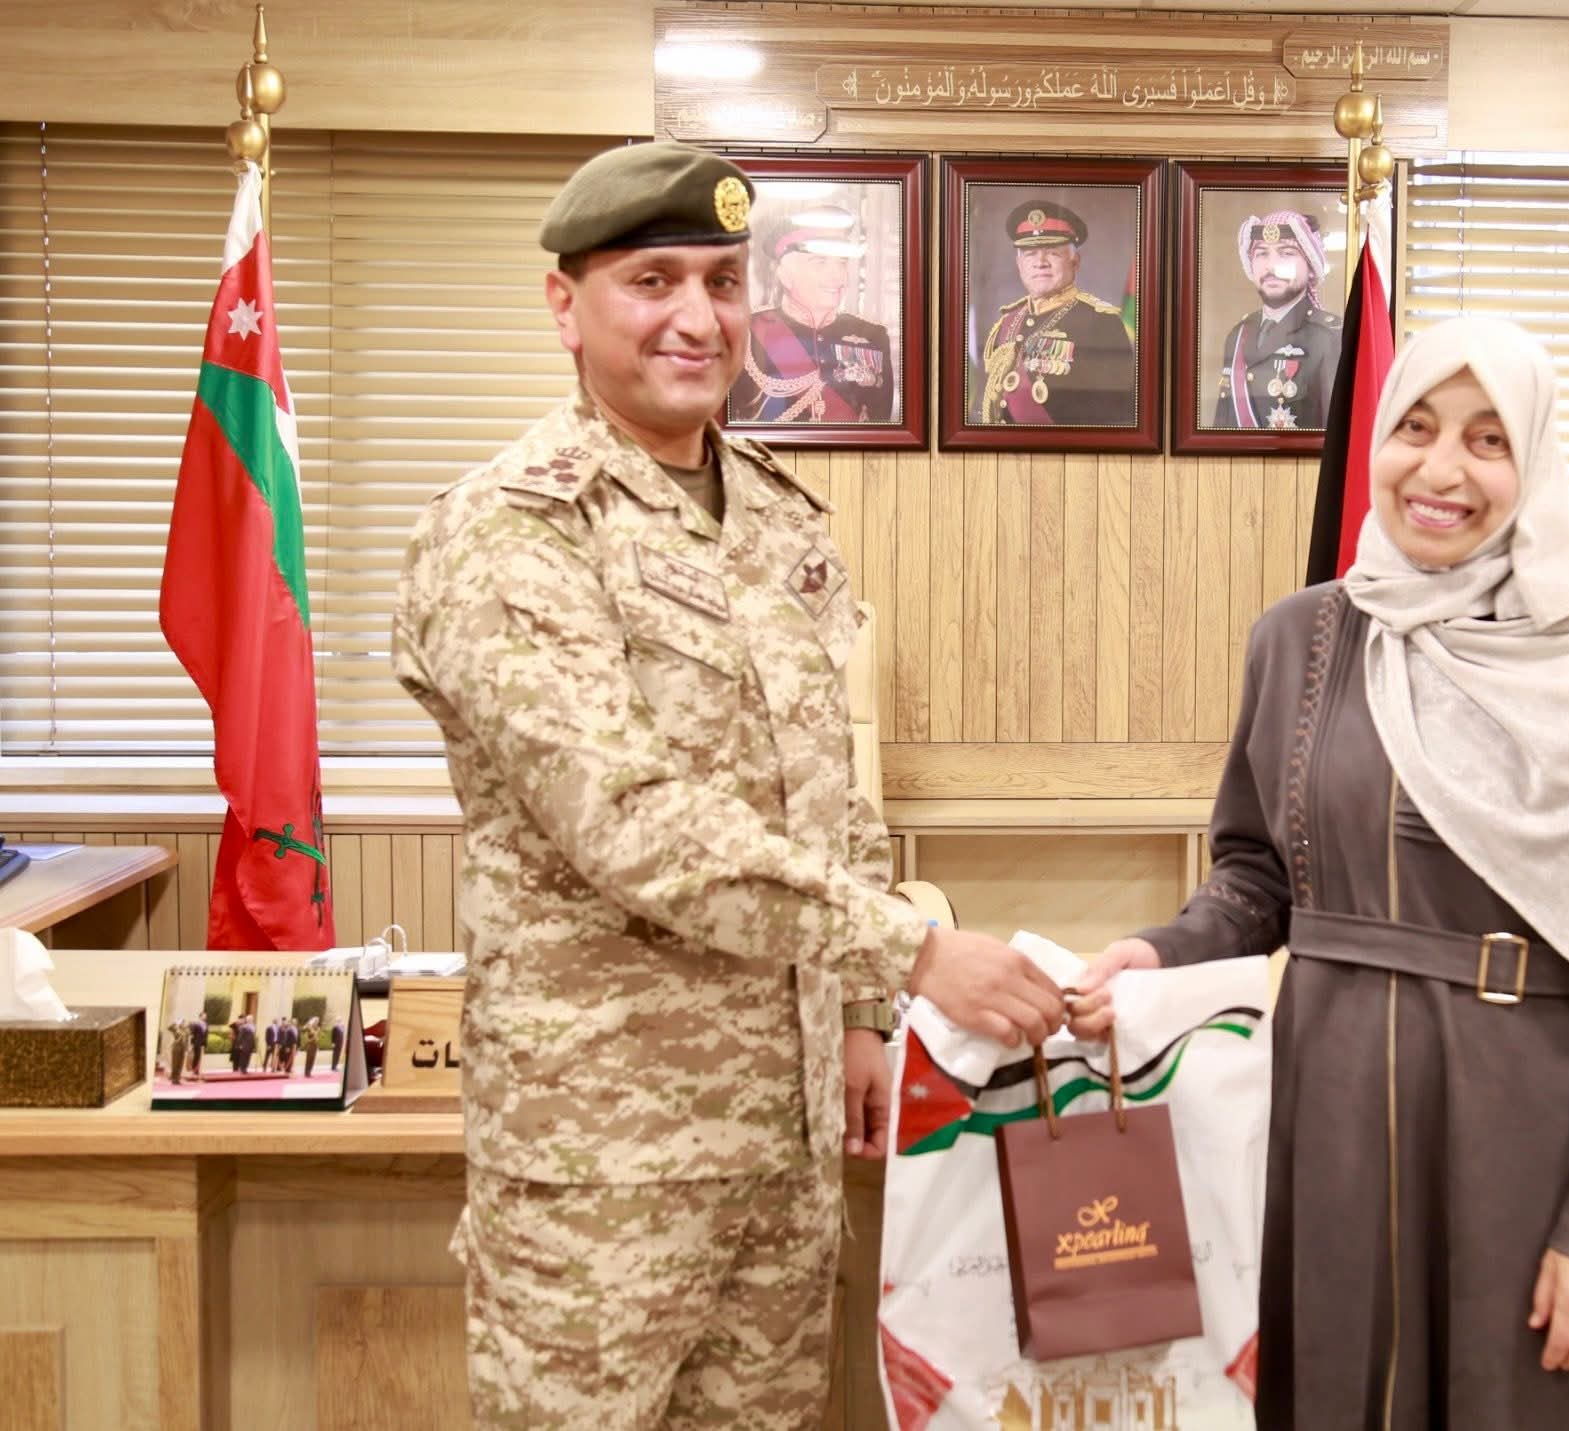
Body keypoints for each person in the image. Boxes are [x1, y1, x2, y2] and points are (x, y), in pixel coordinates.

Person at [391, 140, 1065, 1429]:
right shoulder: (508, 531)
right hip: (601, 1164)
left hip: (782, 1147)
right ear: (565, 305)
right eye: (652, 282)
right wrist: (914, 952)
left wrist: (860, 1014)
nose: (698, 319)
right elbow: (630, 821)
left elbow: (831, 783)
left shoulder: (776, 514)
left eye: (723, 281)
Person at [1071, 316, 1569, 1430]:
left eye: (1487, 439)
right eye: (1415, 429)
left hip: (1524, 1122)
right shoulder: (1301, 640)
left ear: (1534, 460)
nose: (1441, 470)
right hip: (1329, 1113)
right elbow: (1257, 876)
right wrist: (1158, 951)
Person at [729, 206, 896, 425]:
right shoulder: (744, 332)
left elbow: (880, 424)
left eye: (842, 262)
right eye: (820, 263)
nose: (838, 275)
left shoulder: (872, 335)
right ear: (785, 275)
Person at [976, 199, 1135, 426]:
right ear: (1019, 264)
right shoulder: (1007, 323)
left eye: (1053, 253)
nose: (1040, 262)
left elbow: (1117, 415)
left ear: (1075, 262)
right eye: (1030, 254)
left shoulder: (1101, 323)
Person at [1213, 210, 1342, 431]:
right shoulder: (1238, 335)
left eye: (1286, 253)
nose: (1271, 266)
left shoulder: (1330, 337)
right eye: (1261, 254)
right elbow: (1222, 427)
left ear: (1311, 267)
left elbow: (1337, 434)